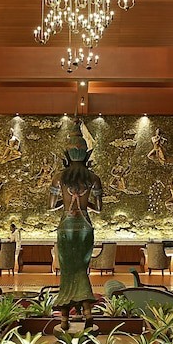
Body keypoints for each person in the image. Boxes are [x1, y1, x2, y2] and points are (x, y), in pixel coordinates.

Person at [49, 122, 103, 332]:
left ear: (68, 156)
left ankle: (64, 318)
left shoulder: (59, 177)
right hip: (85, 226)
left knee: (67, 270)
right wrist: (83, 202)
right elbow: (98, 208)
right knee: (81, 269)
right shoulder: (93, 178)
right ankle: (87, 311)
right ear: (85, 156)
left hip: (66, 226)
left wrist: (67, 202)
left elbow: (51, 206)